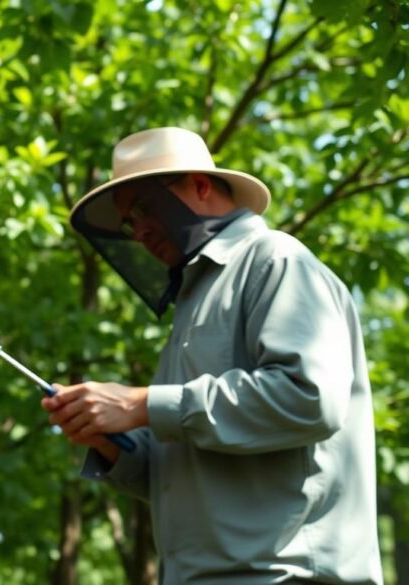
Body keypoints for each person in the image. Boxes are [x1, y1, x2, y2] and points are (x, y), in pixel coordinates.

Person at [41, 127, 383, 584]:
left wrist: (139, 404)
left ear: (200, 186)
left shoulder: (275, 260)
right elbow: (193, 471)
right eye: (128, 223)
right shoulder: (191, 302)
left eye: (143, 208)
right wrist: (109, 439)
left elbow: (309, 398)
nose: (138, 230)